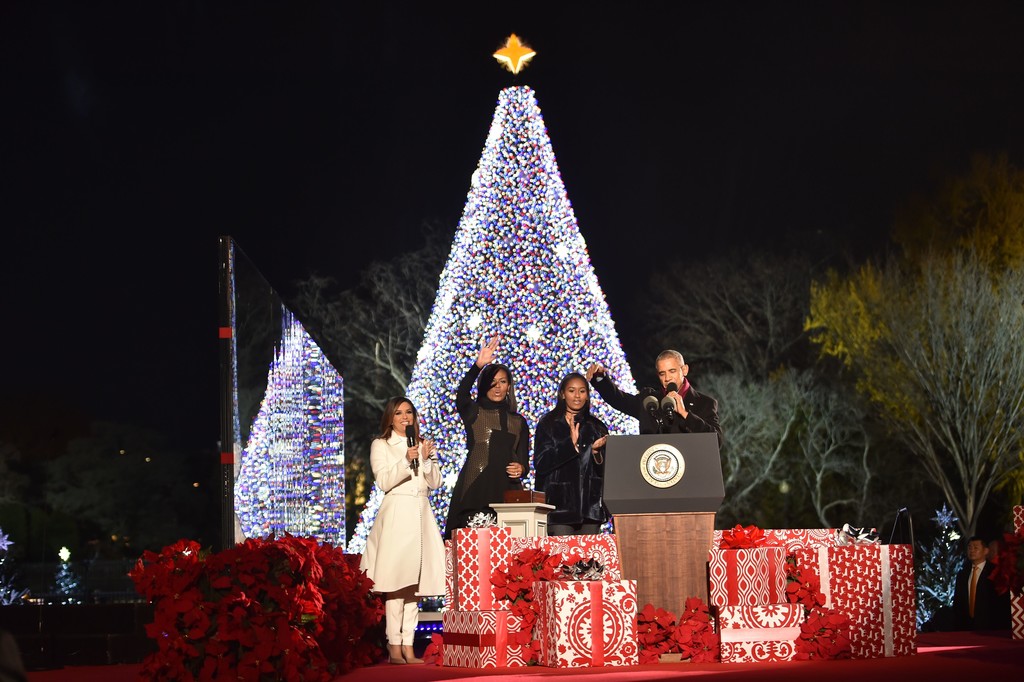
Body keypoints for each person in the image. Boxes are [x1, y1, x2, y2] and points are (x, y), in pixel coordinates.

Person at [359, 397, 446, 665]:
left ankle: (408, 644)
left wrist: (427, 459)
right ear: (390, 417)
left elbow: (436, 482)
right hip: (397, 516)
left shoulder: (420, 445)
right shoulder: (381, 444)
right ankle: (393, 645)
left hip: (420, 514)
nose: (405, 417)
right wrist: (408, 460)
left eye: (409, 412)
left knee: (414, 589)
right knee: (396, 585)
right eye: (399, 413)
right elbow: (384, 481)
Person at [444, 335, 530, 539]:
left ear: (509, 386)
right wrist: (478, 365)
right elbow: (461, 395)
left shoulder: (518, 422)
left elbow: (523, 460)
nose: (498, 387)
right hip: (476, 491)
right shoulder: (474, 412)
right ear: (484, 385)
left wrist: (522, 469)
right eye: (492, 382)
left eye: (502, 382)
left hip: (508, 497)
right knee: (474, 553)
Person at [586, 349, 722, 444]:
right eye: (662, 374)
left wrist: (685, 414)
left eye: (672, 371)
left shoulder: (705, 403)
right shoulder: (650, 400)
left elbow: (716, 440)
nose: (667, 378)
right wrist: (600, 379)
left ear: (684, 370)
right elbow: (619, 400)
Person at [533, 372, 610, 536]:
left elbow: (608, 471)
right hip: (559, 509)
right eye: (571, 391)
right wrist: (570, 446)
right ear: (562, 394)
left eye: (582, 391)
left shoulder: (596, 426)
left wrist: (596, 453)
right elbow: (541, 463)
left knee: (589, 560)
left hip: (591, 509)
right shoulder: (548, 424)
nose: (577, 396)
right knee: (563, 560)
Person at [952, 535, 1011, 631]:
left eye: (976, 547)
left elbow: (1001, 603)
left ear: (986, 551)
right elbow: (958, 602)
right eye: (969, 547)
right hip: (966, 628)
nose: (972, 550)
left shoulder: (995, 572)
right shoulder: (962, 574)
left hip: (991, 627)